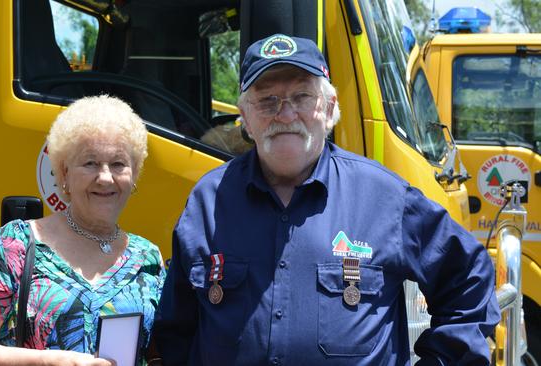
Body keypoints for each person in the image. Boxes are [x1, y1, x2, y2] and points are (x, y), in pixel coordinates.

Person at [153, 34, 500, 365]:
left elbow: (469, 277)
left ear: (330, 107)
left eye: (303, 97)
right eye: (267, 100)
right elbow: (177, 330)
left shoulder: (384, 196)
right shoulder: (208, 201)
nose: (285, 114)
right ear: (245, 116)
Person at [0, 95, 165, 365]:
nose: (105, 177)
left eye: (118, 164)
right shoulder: (17, 244)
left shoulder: (148, 258)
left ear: (134, 174)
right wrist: (49, 362)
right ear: (64, 173)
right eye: (90, 163)